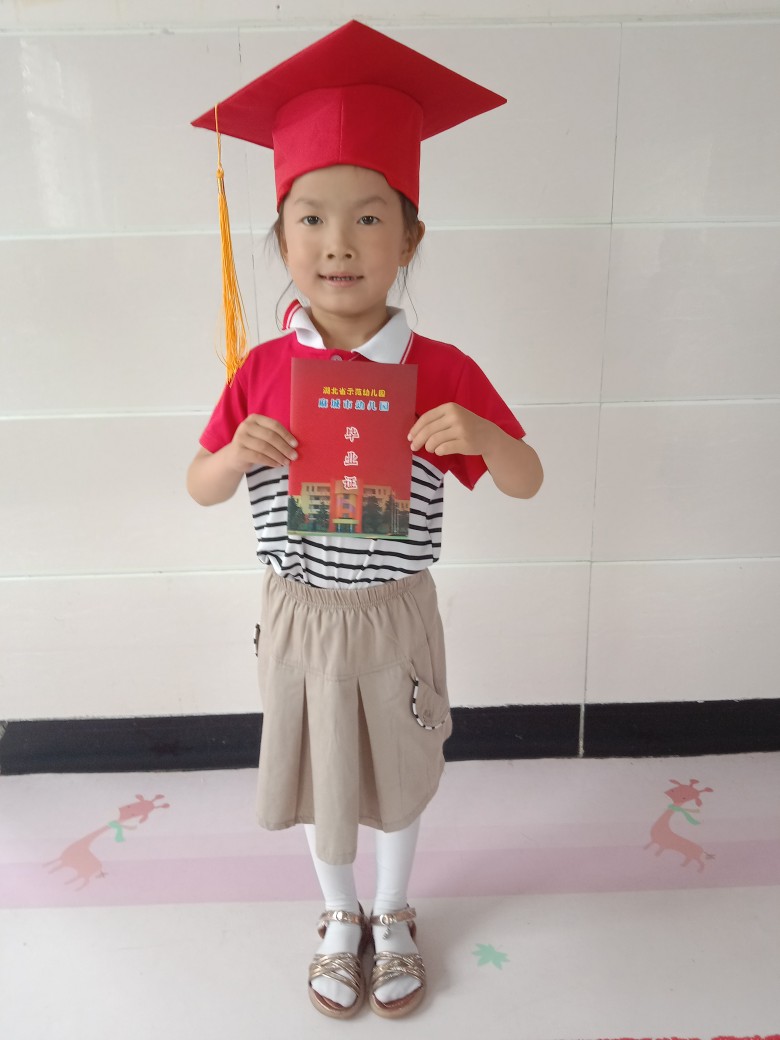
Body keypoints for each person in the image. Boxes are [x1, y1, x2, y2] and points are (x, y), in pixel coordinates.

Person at [186, 21, 543, 1020]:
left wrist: (483, 432)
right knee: (321, 772)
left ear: (410, 239)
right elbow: (200, 485)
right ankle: (338, 914)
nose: (337, 243)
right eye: (310, 218)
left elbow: (526, 479)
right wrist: (233, 454)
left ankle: (393, 910)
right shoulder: (264, 370)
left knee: (397, 769)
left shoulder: (442, 369)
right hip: (300, 611)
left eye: (369, 218)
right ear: (281, 235)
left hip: (393, 611)